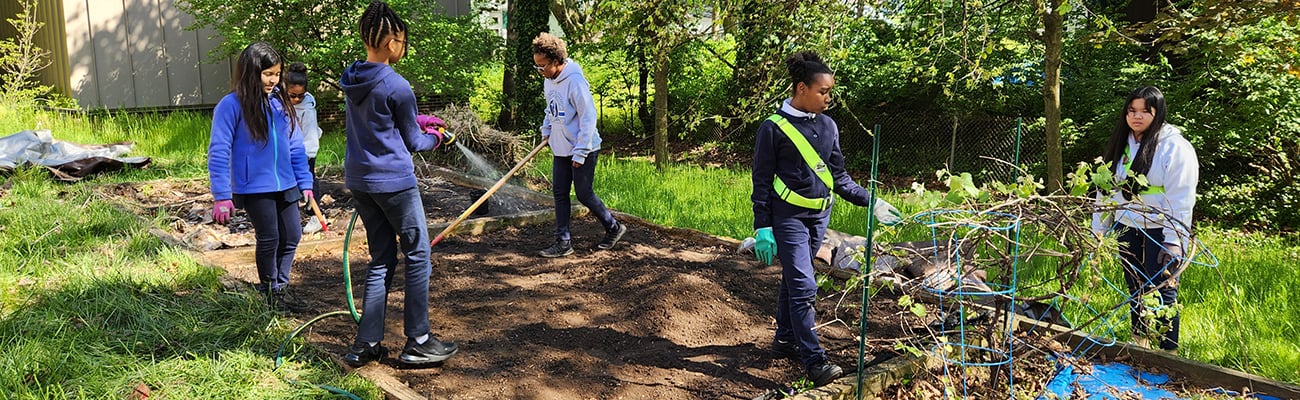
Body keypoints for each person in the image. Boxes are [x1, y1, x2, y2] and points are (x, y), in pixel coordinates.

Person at [750, 51, 902, 387]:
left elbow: (840, 178)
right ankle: (815, 361)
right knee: (805, 286)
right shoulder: (772, 129)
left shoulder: (828, 126)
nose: (828, 98)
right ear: (801, 88)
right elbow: (761, 180)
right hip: (786, 216)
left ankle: (786, 340)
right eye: (823, 92)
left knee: (795, 280)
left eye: (830, 91)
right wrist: (762, 225)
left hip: (820, 216)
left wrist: (872, 202)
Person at [339, 0, 458, 368]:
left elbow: (378, 120)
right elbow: (413, 142)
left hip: (360, 180)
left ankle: (366, 343)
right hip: (393, 182)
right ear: (392, 40)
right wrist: (437, 138)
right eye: (402, 40)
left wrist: (418, 117)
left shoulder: (352, 76)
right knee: (418, 253)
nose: (403, 47)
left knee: (382, 258)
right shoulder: (397, 84)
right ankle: (418, 340)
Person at [208, 42, 313, 314]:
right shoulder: (231, 105)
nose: (273, 80)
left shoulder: (279, 103)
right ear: (250, 72)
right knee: (270, 238)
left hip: (286, 181)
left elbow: (295, 145)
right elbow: (219, 150)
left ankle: (281, 286)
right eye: (267, 74)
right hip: (255, 186)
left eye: (277, 74)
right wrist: (221, 195)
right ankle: (270, 292)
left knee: (292, 235)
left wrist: (305, 182)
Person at [1091, 86, 1198, 353]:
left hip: (1161, 231)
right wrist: (1099, 228)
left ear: (1157, 113)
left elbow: (1181, 198)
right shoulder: (1122, 144)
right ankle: (1140, 346)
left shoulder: (1175, 148)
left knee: (1162, 289)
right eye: (1131, 111)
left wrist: (1174, 242)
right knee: (1135, 286)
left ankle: (1168, 353)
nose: (1136, 117)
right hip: (1127, 227)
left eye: (1144, 112)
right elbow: (1106, 189)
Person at [532, 32, 627, 258]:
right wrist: (546, 130)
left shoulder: (575, 81)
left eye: (543, 66)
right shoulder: (549, 80)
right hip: (560, 147)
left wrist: (581, 151)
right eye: (537, 66)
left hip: (583, 147)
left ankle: (613, 227)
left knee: (584, 194)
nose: (540, 71)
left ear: (556, 62)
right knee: (560, 193)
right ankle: (563, 241)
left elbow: (588, 117)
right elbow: (551, 109)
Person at [283, 62, 325, 232]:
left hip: (305, 151)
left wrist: (306, 157)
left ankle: (315, 216)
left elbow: (310, 136)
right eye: (292, 95)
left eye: (300, 96)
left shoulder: (307, 109)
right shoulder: (278, 101)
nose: (296, 100)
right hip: (286, 150)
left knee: (308, 182)